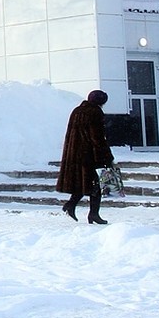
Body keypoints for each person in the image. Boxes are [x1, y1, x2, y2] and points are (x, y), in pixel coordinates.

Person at [56, 89, 115, 224]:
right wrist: (107, 156)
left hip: (74, 154)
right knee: (95, 185)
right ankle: (93, 214)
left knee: (83, 183)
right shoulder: (95, 112)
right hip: (89, 155)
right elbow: (97, 138)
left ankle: (70, 205)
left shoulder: (77, 111)